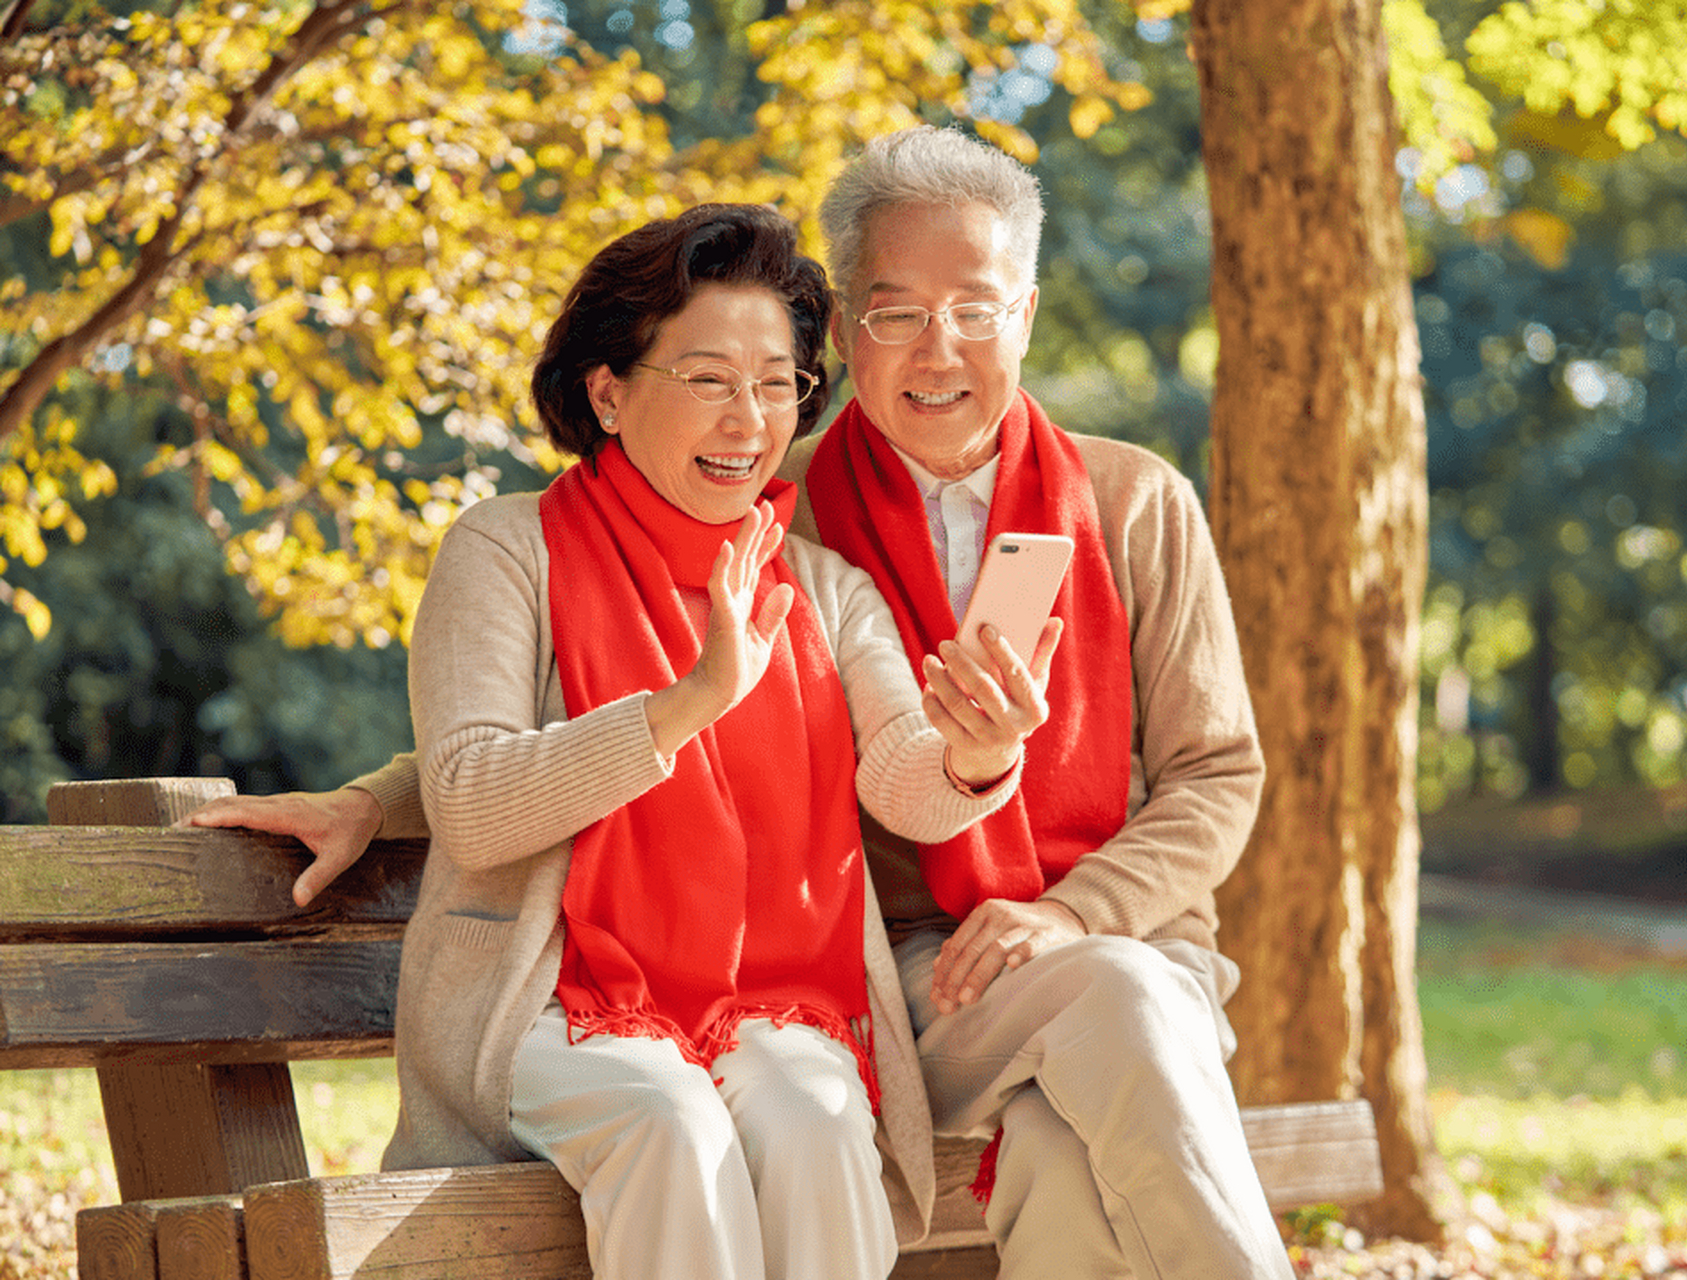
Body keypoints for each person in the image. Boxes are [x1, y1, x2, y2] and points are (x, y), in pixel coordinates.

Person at [190, 128, 1286, 1278]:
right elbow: (586, 699)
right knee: (1038, 1046)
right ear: (850, 324)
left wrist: (1014, 821)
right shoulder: (778, 501)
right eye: (894, 310)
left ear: (1023, 313)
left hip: (1092, 951)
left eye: (973, 307)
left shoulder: (1127, 504)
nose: (936, 348)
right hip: (914, 972)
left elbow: (1208, 774)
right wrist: (381, 792)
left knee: (1074, 1127)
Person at [235, 203, 1055, 1280]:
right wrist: (693, 698)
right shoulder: (505, 550)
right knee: (666, 1119)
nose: (748, 418)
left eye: (776, 383)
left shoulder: (820, 585)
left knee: (813, 1117)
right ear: (609, 391)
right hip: (547, 1001)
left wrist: (976, 753)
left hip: (777, 997)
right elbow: (475, 799)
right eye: (708, 378)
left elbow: (905, 776)